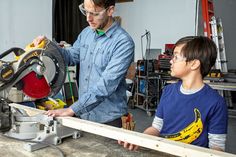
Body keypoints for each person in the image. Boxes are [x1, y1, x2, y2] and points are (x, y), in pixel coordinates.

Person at [34, 0, 134, 128]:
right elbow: (70, 56)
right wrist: (49, 46)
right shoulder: (87, 33)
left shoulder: (123, 43)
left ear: (110, 11)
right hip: (84, 116)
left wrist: (72, 110)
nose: (88, 18)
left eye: (94, 14)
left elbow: (106, 85)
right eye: (86, 12)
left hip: (108, 120)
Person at [119, 36, 228, 151]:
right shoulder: (168, 91)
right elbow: (156, 128)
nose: (171, 61)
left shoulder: (216, 103)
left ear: (194, 64)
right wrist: (140, 139)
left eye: (176, 56)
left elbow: (217, 147)